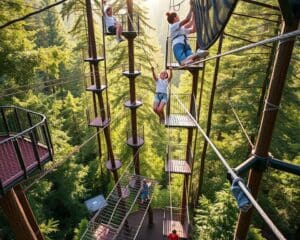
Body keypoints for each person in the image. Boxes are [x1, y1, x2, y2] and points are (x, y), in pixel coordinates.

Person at [166, 0, 209, 66]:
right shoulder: (173, 26)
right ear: (175, 17)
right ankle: (197, 54)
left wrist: (195, 13)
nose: (179, 17)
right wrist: (191, 7)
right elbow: (187, 20)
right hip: (183, 44)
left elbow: (193, 28)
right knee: (190, 61)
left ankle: (197, 54)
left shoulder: (180, 28)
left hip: (179, 45)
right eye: (178, 16)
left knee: (183, 62)